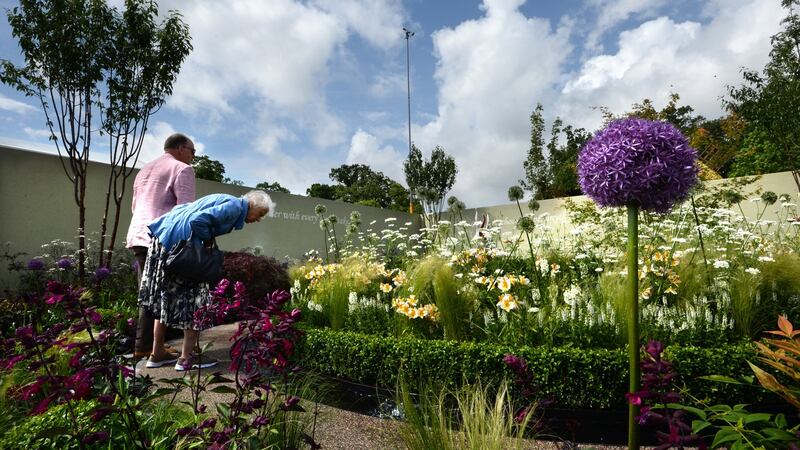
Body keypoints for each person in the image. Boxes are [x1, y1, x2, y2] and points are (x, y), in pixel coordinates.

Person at [139, 190, 275, 371]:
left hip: (164, 243)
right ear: (253, 205)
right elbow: (198, 220)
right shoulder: (235, 206)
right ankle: (186, 359)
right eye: (260, 215)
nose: (258, 220)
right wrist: (208, 243)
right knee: (195, 302)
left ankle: (156, 354)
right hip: (181, 252)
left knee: (165, 300)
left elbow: (184, 209)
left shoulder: (224, 198)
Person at [126, 133, 197, 363]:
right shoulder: (181, 169)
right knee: (161, 294)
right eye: (192, 152)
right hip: (161, 238)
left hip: (138, 236)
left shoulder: (144, 170)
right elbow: (184, 212)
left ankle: (150, 347)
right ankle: (148, 348)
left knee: (148, 292)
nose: (193, 158)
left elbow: (135, 206)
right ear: (180, 148)